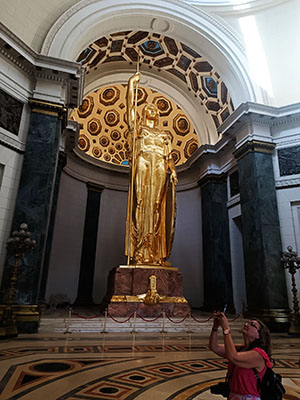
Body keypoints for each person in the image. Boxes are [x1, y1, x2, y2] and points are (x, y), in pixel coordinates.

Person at [125, 71, 177, 265]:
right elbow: (130, 106)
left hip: (160, 164)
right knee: (140, 202)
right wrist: (132, 83)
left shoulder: (164, 135)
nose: (153, 110)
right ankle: (139, 247)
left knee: (156, 205)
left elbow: (169, 157)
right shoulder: (137, 128)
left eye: (156, 109)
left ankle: (153, 249)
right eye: (149, 107)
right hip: (143, 161)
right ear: (144, 111)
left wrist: (173, 170)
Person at [209, 312, 272, 400]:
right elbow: (214, 347)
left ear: (259, 335)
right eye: (247, 322)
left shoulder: (259, 354)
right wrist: (215, 327)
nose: (246, 324)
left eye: (252, 325)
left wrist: (226, 329)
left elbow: (233, 357)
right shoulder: (240, 349)